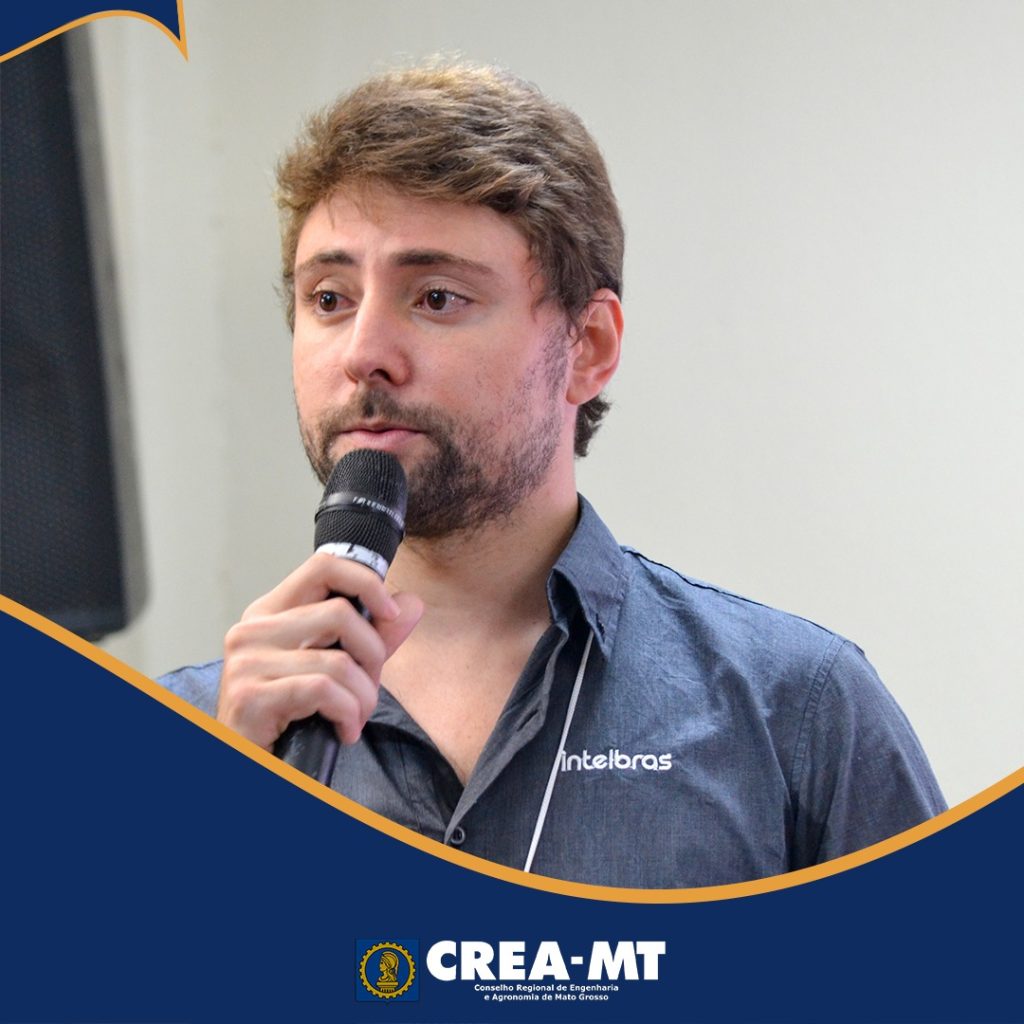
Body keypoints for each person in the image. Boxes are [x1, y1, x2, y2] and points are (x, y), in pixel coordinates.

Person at [160, 61, 946, 888]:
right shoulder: (194, 731)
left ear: (589, 347)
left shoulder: (799, 713)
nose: (363, 354)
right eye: (329, 299)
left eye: (436, 297)